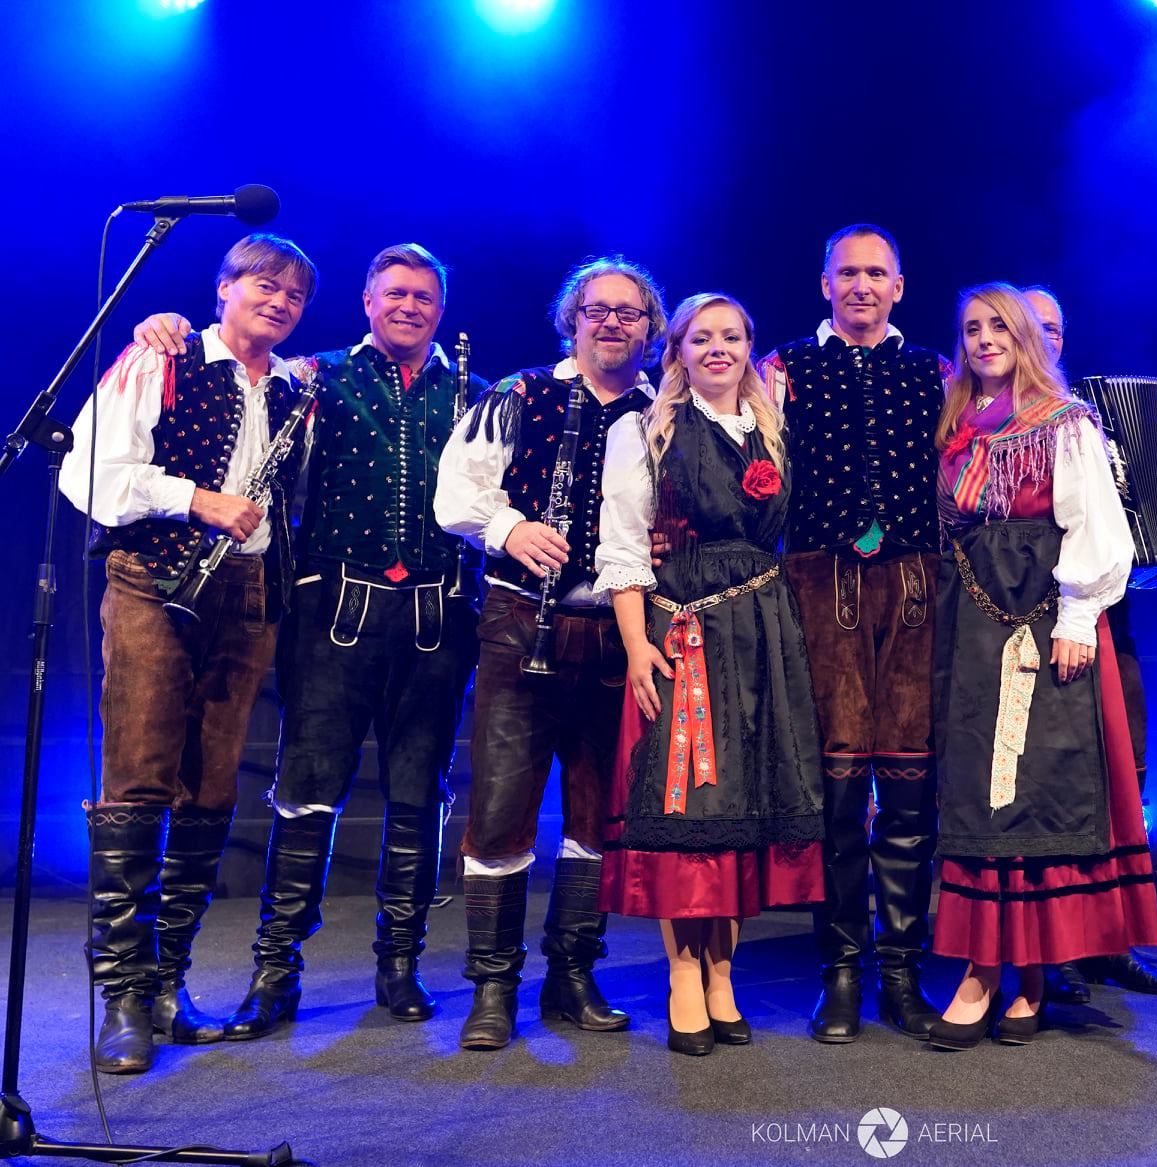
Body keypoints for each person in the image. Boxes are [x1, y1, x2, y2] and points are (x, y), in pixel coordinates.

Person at [130, 244, 484, 1039]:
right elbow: (236, 361)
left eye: (424, 296)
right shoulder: (310, 378)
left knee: (417, 791)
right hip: (332, 612)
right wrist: (165, 326)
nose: (409, 306)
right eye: (395, 293)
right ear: (367, 301)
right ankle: (276, 971)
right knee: (307, 790)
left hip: (435, 617)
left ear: (441, 308)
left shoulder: (477, 394)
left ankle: (399, 962)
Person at [63, 233, 316, 1073]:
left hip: (245, 593)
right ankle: (122, 995)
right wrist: (197, 498)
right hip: (153, 578)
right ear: (223, 289)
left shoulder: (295, 386)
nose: (279, 301)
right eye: (264, 284)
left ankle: (167, 981)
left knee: (210, 787)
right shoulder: (161, 357)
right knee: (139, 776)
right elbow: (90, 475)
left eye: (294, 294)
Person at [433, 257, 666, 1050]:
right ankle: (493, 986)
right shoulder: (520, 393)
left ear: (650, 327)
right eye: (597, 309)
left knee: (598, 813)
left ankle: (572, 975)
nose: (612, 323)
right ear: (572, 319)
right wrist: (509, 527)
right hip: (519, 621)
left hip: (616, 634)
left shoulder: (661, 411)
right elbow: (454, 495)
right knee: (501, 809)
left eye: (628, 312)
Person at [927, 282, 1157, 1051]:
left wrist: (1076, 616)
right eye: (971, 327)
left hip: (1042, 609)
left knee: (1037, 789)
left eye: (999, 326)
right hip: (972, 616)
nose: (984, 339)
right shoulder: (955, 424)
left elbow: (1095, 526)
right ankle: (986, 966)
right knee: (979, 787)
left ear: (1026, 336)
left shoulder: (1063, 421)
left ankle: (1024, 973)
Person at [597, 292, 825, 1056]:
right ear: (678, 351)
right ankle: (682, 974)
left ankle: (722, 972)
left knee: (742, 805)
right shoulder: (644, 430)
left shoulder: (772, 426)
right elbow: (623, 546)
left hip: (761, 633)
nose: (717, 348)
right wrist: (637, 644)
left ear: (749, 347)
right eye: (701, 338)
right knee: (687, 808)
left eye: (731, 336)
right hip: (683, 631)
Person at [756, 225, 948, 1042]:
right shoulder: (784, 367)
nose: (862, 285)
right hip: (818, 578)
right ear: (824, 283)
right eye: (848, 272)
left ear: (898, 285)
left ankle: (899, 970)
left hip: (913, 583)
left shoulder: (936, 370)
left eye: (876, 273)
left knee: (907, 784)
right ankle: (839, 968)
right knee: (836, 789)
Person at [1021, 286, 1157, 1007]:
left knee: (1123, 771)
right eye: (1030, 326)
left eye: (1054, 328)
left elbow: (1134, 523)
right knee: (1044, 780)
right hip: (1021, 618)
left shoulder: (1093, 416)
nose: (1044, 339)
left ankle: (1107, 938)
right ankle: (1050, 945)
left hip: (1107, 619)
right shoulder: (990, 418)